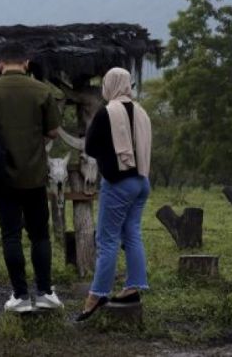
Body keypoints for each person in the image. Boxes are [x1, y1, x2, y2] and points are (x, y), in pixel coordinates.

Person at [0, 48, 65, 313]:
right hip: (35, 174)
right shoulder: (42, 90)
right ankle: (45, 293)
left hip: (1, 176)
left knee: (10, 235)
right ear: (26, 62)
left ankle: (20, 296)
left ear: (0, 63)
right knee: (40, 235)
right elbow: (54, 131)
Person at [75, 67, 152, 322]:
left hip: (118, 183)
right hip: (142, 181)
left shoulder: (107, 112)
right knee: (132, 233)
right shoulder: (141, 112)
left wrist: (111, 156)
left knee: (107, 239)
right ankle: (133, 287)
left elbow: (90, 146)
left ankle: (96, 294)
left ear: (110, 85)